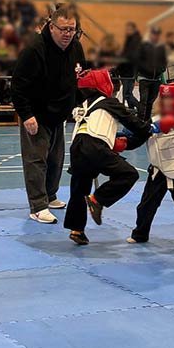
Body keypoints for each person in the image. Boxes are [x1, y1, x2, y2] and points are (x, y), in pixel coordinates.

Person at [11, 5, 86, 223]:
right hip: (36, 113)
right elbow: (18, 85)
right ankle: (38, 206)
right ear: (51, 27)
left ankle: (50, 195)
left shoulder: (76, 47)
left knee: (56, 159)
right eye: (63, 29)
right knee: (36, 160)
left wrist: (81, 104)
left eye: (72, 29)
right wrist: (26, 115)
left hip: (60, 113)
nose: (68, 34)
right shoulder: (34, 49)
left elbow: (80, 77)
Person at [65, 69, 152, 245]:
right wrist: (149, 129)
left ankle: (77, 230)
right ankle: (98, 199)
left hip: (77, 148)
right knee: (129, 174)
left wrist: (123, 142)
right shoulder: (109, 102)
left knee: (79, 189)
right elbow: (133, 123)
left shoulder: (84, 105)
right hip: (94, 146)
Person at [128, 83, 174, 245]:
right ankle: (140, 234)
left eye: (171, 99)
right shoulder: (155, 119)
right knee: (146, 205)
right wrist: (123, 144)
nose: (168, 102)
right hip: (158, 170)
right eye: (165, 98)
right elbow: (141, 136)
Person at [136, 25, 168, 121]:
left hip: (156, 79)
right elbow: (137, 61)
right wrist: (142, 71)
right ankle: (140, 121)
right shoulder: (143, 46)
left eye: (157, 34)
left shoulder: (161, 48)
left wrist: (161, 70)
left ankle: (147, 121)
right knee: (143, 101)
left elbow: (164, 61)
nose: (155, 36)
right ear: (151, 35)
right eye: (154, 34)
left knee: (150, 102)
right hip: (144, 78)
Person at [120, 22, 142, 111]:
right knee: (128, 93)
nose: (127, 31)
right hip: (129, 70)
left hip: (129, 71)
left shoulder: (134, 41)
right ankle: (131, 109)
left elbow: (131, 56)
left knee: (127, 94)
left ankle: (140, 108)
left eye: (129, 29)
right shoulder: (131, 40)